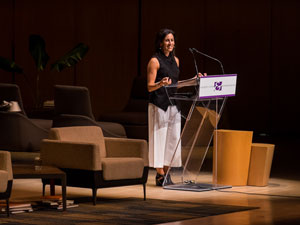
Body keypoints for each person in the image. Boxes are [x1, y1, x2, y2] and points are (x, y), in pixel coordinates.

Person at [147, 28, 205, 186]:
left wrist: (194, 80)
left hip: (174, 104)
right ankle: (159, 175)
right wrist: (160, 83)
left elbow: (175, 85)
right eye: (167, 40)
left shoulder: (176, 61)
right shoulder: (155, 61)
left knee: (172, 140)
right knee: (159, 140)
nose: (170, 43)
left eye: (172, 40)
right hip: (159, 105)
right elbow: (149, 87)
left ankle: (167, 173)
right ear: (160, 43)